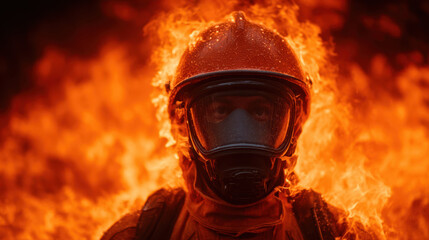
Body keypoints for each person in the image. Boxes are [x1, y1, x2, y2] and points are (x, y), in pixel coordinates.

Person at [101, 12, 374, 240]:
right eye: (220, 111)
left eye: (260, 111)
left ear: (294, 124)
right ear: (183, 125)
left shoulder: (338, 231)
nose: (240, 135)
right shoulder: (139, 234)